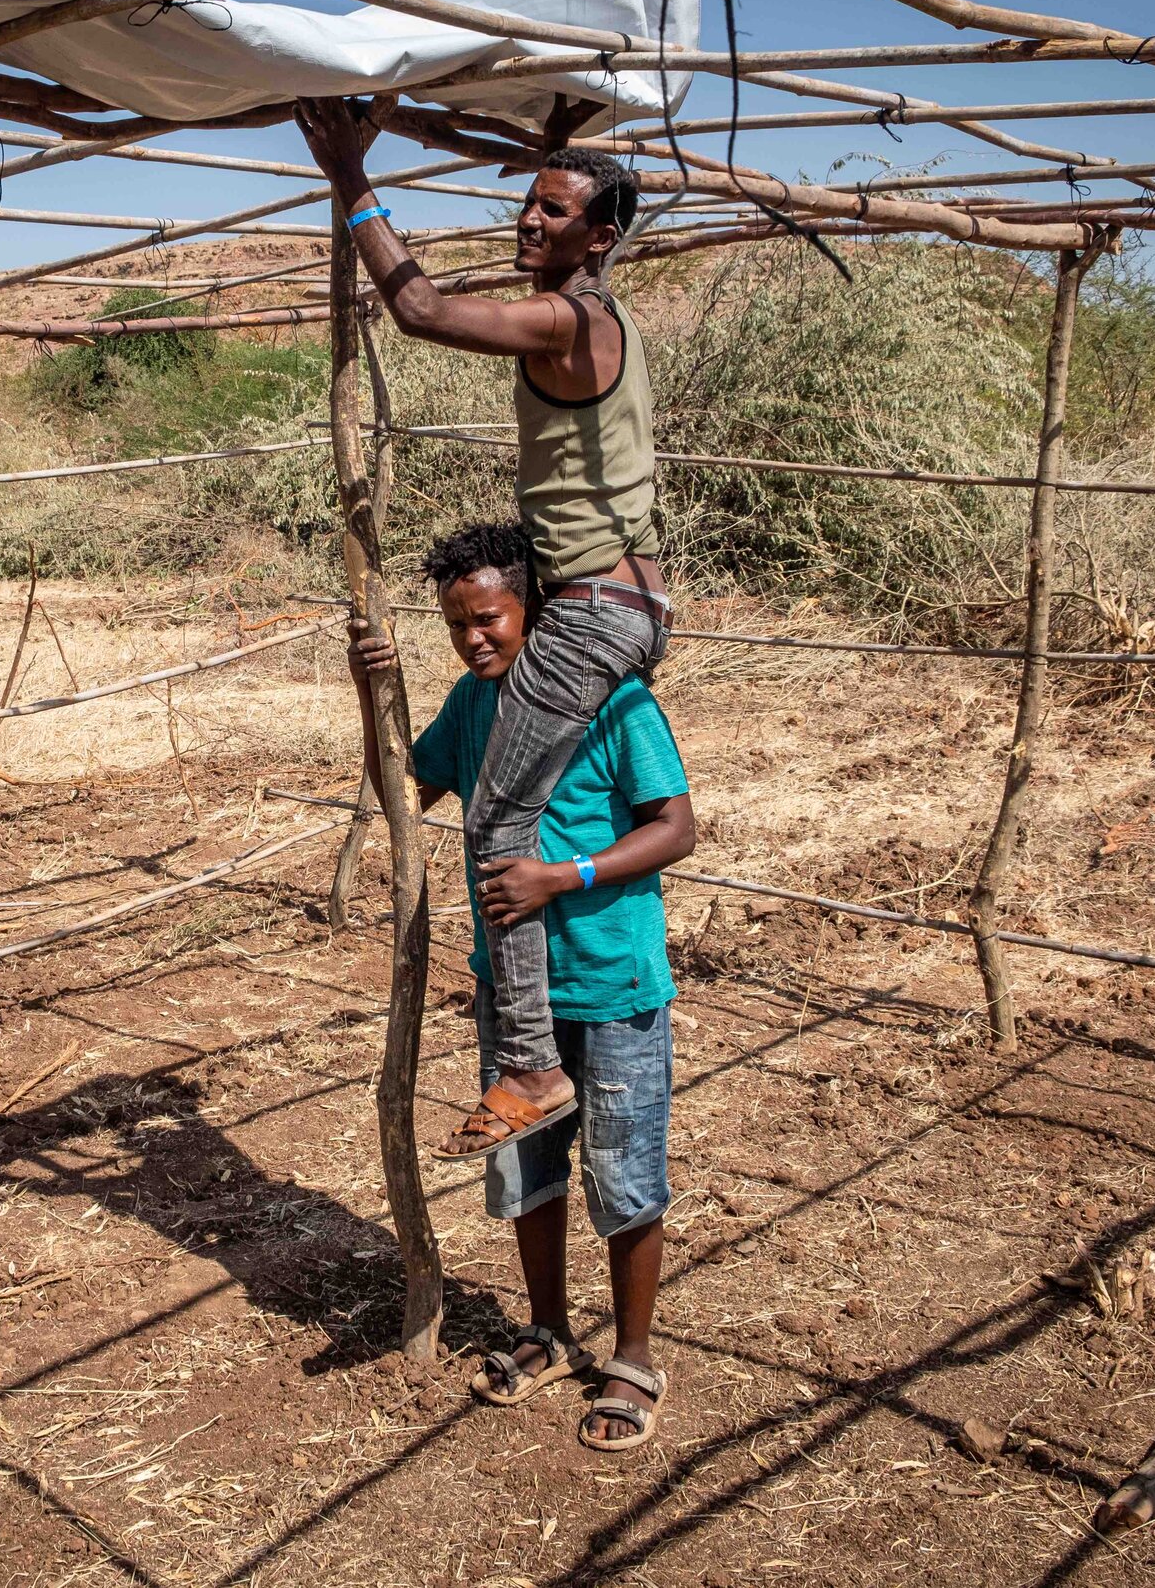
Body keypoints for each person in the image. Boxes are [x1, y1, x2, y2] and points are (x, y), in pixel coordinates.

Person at [298, 97, 668, 1162]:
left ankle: (531, 1062)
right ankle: (532, 1054)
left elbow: (418, 310)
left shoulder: (569, 318)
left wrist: (351, 177)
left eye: (551, 210)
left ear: (599, 235)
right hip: (610, 599)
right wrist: (550, 131)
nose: (527, 223)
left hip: (599, 604)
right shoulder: (601, 316)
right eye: (526, 203)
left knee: (501, 817)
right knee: (512, 797)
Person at [347, 521, 694, 1453]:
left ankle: (631, 1355)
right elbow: (403, 794)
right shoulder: (472, 706)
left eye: (490, 617)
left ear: (536, 609)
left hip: (614, 980)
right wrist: (370, 689)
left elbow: (677, 827)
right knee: (527, 1171)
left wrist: (562, 875)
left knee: (624, 1175)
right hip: (511, 990)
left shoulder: (615, 705)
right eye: (456, 624)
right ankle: (546, 1329)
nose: (475, 639)